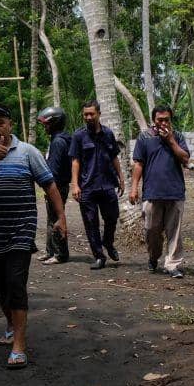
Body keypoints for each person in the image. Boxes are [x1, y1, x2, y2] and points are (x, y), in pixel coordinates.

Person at [0, 104, 67, 370]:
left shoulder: (28, 152)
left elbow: (49, 185)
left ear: (10, 124)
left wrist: (61, 217)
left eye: (1, 122)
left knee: (15, 283)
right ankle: (11, 323)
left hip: (21, 229)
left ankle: (19, 345)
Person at [130, 105, 190, 279]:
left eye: (166, 120)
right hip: (152, 193)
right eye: (160, 120)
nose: (163, 123)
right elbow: (138, 164)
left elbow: (185, 158)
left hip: (175, 192)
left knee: (174, 232)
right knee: (151, 230)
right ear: (153, 120)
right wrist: (134, 188)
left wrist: (171, 140)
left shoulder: (177, 136)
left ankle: (173, 264)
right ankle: (153, 257)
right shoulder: (144, 137)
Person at [69, 99, 126, 271]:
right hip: (87, 187)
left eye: (91, 114)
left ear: (99, 114)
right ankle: (99, 256)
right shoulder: (78, 136)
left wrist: (121, 178)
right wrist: (75, 184)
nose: (88, 117)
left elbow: (114, 157)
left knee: (112, 216)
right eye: (85, 114)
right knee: (90, 222)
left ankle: (108, 242)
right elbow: (75, 161)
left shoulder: (108, 134)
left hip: (107, 184)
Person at [37, 106, 71, 265]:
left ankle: (60, 254)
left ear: (55, 123)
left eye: (47, 124)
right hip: (57, 185)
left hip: (57, 186)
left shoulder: (58, 142)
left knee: (56, 218)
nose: (45, 127)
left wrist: (49, 186)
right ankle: (50, 251)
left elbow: (54, 170)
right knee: (51, 218)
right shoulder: (58, 139)